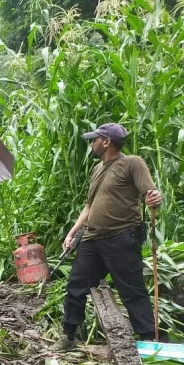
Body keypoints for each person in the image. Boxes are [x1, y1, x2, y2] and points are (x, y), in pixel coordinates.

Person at [52, 123, 163, 352]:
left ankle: (148, 340)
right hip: (91, 239)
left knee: (131, 289)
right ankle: (69, 335)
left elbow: (149, 194)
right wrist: (72, 233)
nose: (92, 143)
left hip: (121, 236)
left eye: (95, 139)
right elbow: (89, 206)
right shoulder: (97, 169)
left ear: (107, 142)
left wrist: (154, 199)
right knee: (76, 284)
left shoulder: (132, 163)